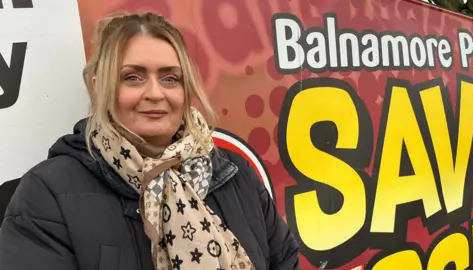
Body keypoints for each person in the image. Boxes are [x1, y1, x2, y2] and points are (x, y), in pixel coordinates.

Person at [0, 11, 299, 270]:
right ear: (98, 87)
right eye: (132, 77)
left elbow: (284, 260)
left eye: (171, 78)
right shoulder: (47, 195)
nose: (155, 93)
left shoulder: (234, 174)